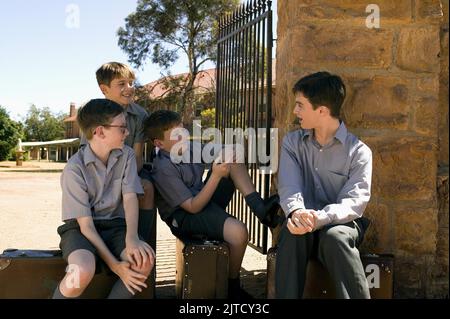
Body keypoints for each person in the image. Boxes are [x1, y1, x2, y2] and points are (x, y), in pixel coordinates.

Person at [143, 110, 281, 299]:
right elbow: (192, 207)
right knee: (239, 233)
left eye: (182, 129)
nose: (182, 135)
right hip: (183, 216)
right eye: (175, 135)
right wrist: (215, 175)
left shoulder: (190, 147)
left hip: (202, 199)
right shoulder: (163, 168)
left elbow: (224, 152)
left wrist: (228, 152)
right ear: (159, 143)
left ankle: (261, 209)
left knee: (232, 158)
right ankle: (232, 286)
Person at [276, 71, 372, 299]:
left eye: (300, 105)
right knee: (291, 231)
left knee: (335, 237)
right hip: (303, 220)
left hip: (342, 223)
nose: (294, 111)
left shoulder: (359, 152)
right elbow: (289, 185)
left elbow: (354, 203)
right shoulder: (292, 143)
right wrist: (298, 212)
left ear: (321, 111)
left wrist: (322, 218)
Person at [53, 99, 155, 299]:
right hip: (80, 230)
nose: (127, 133)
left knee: (143, 261)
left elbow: (130, 198)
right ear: (100, 132)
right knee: (80, 271)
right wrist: (116, 266)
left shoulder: (126, 156)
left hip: (116, 226)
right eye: (122, 128)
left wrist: (132, 237)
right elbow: (86, 227)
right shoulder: (74, 169)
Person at [80, 62, 155, 244]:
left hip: (130, 168)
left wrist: (124, 181)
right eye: (121, 84)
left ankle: (142, 241)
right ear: (104, 89)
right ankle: (93, 239)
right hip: (97, 169)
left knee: (146, 188)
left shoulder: (140, 115)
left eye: (131, 82)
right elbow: (87, 154)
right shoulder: (91, 113)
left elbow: (137, 156)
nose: (129, 88)